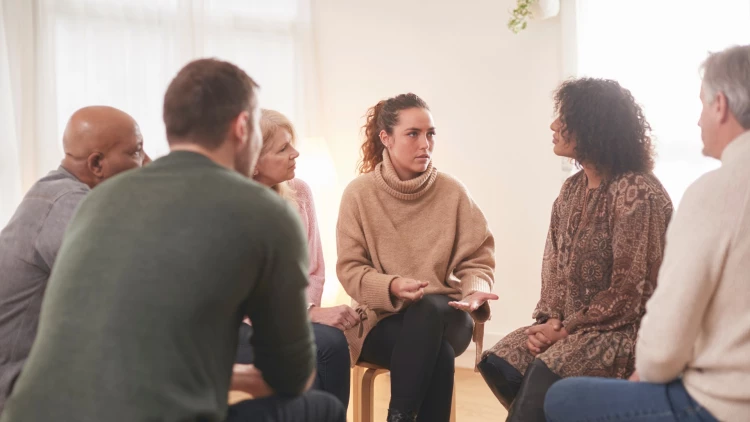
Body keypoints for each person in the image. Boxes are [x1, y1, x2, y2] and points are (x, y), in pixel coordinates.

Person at [0, 58, 345, 422]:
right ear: (243, 128)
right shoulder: (267, 210)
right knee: (320, 407)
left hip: (33, 410)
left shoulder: (99, 199)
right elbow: (291, 376)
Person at [544, 44, 750, 422]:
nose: (698, 120)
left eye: (702, 105)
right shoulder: (571, 190)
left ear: (720, 105)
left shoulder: (711, 192)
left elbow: (661, 339)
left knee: (563, 398)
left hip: (723, 405)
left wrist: (647, 371)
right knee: (511, 363)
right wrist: (549, 322)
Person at [478, 78, 674, 421]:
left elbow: (630, 292)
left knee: (544, 371)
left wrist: (566, 329)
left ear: (593, 127)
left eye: (564, 119)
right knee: (500, 362)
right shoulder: (571, 190)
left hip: (623, 332)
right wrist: (549, 321)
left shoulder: (637, 193)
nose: (554, 126)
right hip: (573, 326)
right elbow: (553, 268)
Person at [336, 93, 498, 422]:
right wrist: (392, 286)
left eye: (431, 134)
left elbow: (477, 259)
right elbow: (350, 270)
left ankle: (399, 416)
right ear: (386, 138)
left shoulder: (452, 192)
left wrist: (475, 288)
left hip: (449, 315)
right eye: (413, 134)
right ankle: (402, 416)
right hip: (384, 322)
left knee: (429, 310)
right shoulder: (359, 194)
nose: (425, 143)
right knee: (435, 354)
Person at [0, 106, 145, 413]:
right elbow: (126, 287)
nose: (145, 164)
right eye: (136, 152)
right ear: (97, 164)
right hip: (16, 387)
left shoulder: (57, 192)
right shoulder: (68, 205)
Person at [236, 109, 354, 407]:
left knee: (333, 342)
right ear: (253, 164)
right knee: (307, 351)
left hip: (291, 315)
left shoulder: (299, 192)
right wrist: (307, 313)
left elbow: (314, 270)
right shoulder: (230, 208)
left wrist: (305, 311)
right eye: (283, 148)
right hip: (241, 325)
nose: (296, 153)